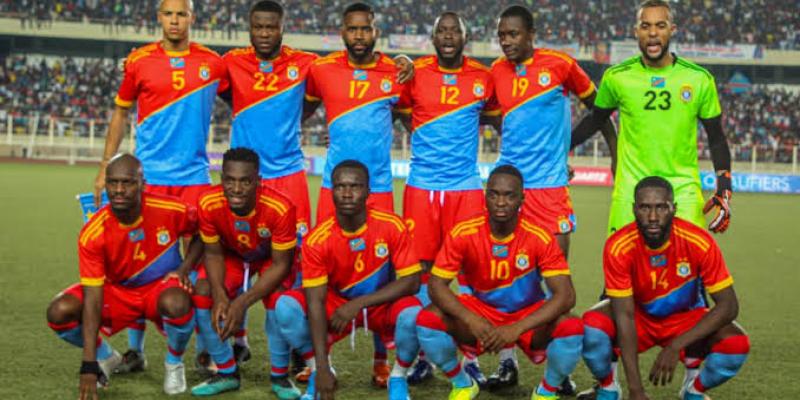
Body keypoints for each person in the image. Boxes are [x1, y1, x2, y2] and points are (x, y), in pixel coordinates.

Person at [91, 0, 228, 370]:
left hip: (194, 177)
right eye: (168, 14)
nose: (175, 20)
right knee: (141, 262)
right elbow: (121, 112)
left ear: (192, 18)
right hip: (148, 177)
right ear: (159, 18)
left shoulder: (214, 63)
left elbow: (247, 87)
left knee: (201, 264)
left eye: (181, 14)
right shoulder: (138, 61)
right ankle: (135, 350)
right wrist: (106, 165)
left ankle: (206, 347)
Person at [484, 5, 615, 392]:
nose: (507, 41)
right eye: (502, 35)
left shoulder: (560, 65)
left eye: (513, 34)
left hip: (551, 192)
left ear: (530, 34)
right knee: (503, 278)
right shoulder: (495, 72)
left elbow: (600, 110)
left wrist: (615, 155)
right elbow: (494, 115)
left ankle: (559, 371)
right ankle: (507, 364)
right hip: (509, 191)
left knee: (553, 282)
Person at [416, 165, 584, 400]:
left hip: (526, 315)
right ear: (485, 197)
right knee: (427, 320)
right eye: (494, 194)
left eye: (509, 195)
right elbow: (436, 285)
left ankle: (546, 392)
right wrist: (471, 319)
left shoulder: (539, 236)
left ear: (522, 199)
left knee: (572, 327)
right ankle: (463, 383)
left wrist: (516, 328)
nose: (501, 202)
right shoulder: (464, 232)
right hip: (482, 312)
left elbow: (566, 296)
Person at [394, 11, 500, 387]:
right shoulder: (415, 73)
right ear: (433, 38)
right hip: (422, 186)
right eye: (443, 31)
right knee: (422, 269)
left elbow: (498, 120)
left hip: (466, 187)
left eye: (455, 31)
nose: (449, 36)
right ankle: (424, 350)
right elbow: (398, 113)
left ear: (465, 38)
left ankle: (469, 355)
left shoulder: (483, 78)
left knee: (471, 268)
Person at [578, 176, 749, 400]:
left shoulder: (699, 242)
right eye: (644, 208)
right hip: (639, 318)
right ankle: (610, 387)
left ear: (674, 209)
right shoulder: (618, 246)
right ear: (633, 209)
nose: (652, 217)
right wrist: (636, 390)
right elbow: (625, 315)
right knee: (591, 326)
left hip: (685, 319)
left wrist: (676, 345)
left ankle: (694, 390)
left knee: (737, 343)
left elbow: (728, 306)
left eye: (661, 208)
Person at [572, 0, 733, 236]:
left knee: (689, 269)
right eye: (646, 26)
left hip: (682, 189)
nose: (653, 33)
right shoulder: (617, 77)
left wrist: (724, 185)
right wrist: (561, 148)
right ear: (637, 31)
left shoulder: (699, 79)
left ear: (672, 29)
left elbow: (716, 137)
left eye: (660, 25)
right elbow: (595, 120)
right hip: (631, 190)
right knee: (622, 266)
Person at [46, 154, 201, 398]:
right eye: (113, 182)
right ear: (105, 184)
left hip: (160, 287)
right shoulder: (93, 233)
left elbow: (202, 231)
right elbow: (93, 298)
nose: (118, 190)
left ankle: (174, 364)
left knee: (176, 302)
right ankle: (107, 357)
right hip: (119, 293)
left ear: (142, 184)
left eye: (127, 183)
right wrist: (89, 363)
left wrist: (184, 269)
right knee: (59, 311)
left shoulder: (170, 208)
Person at [273, 160, 423, 400]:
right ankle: (318, 372)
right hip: (336, 305)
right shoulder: (316, 239)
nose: (347, 193)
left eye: (355, 186)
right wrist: (320, 368)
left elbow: (412, 281)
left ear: (368, 191)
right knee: (286, 307)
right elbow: (315, 302)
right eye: (340, 186)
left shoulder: (392, 225)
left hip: (378, 305)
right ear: (331, 190)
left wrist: (359, 303)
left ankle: (398, 377)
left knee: (415, 316)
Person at [190, 148, 300, 398]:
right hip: (231, 256)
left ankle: (280, 377)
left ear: (258, 181)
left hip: (268, 259)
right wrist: (220, 294)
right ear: (222, 180)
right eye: (230, 180)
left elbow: (281, 264)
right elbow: (214, 254)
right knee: (203, 292)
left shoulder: (281, 208)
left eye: (245, 181)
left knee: (278, 298)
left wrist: (241, 301)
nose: (237, 189)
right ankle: (227, 371)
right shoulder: (208, 203)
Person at [304, 2, 413, 224]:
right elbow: (302, 110)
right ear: (342, 32)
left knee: (379, 255)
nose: (359, 36)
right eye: (353, 29)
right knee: (327, 252)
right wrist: (341, 131)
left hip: (378, 186)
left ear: (376, 32)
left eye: (365, 29)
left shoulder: (396, 74)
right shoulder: (321, 69)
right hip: (334, 185)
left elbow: (410, 122)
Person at [222, 0, 319, 240]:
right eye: (258, 27)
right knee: (240, 246)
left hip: (289, 173)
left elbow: (342, 74)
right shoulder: (231, 62)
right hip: (244, 177)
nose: (264, 33)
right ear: (250, 29)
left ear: (282, 29)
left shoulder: (306, 63)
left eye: (271, 27)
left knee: (296, 250)